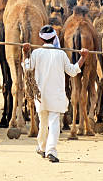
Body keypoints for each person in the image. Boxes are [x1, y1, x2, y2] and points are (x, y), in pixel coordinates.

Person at [22, 25, 89, 163]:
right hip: (56, 96)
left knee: (43, 122)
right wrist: (83, 57)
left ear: (41, 39)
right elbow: (72, 71)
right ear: (54, 38)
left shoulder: (36, 53)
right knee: (53, 124)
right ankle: (50, 150)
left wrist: (25, 52)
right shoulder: (61, 54)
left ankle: (43, 147)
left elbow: (27, 67)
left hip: (40, 96)